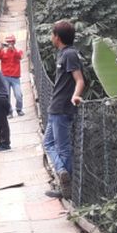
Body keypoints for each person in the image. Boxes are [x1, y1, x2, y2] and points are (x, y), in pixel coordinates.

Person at [43, 20, 85, 200]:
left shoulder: (70, 55)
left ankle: (65, 187)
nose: (51, 37)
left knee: (62, 148)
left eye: (53, 34)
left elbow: (80, 80)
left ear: (57, 37)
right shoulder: (63, 54)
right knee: (48, 143)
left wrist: (75, 96)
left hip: (62, 108)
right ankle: (62, 173)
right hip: (56, 107)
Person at [0, 34, 25, 116]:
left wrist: (13, 50)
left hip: (15, 77)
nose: (9, 44)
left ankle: (19, 109)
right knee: (6, 95)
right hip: (5, 77)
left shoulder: (18, 51)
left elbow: (20, 57)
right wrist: (0, 48)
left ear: (14, 43)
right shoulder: (3, 51)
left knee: (19, 95)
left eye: (10, 42)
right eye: (7, 42)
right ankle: (9, 111)